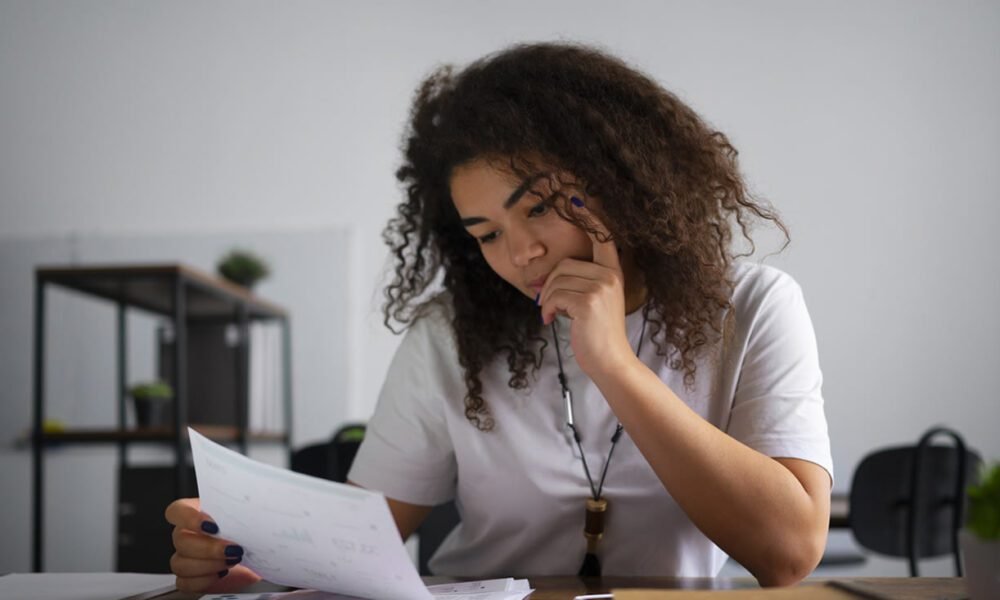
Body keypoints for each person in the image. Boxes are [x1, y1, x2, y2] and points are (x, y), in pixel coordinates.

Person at [165, 42, 832, 593]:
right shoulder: (451, 334)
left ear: (619, 179)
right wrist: (244, 554)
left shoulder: (751, 308)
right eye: (486, 233)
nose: (520, 253)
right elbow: (358, 537)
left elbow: (789, 551)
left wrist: (613, 364)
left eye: (539, 207)